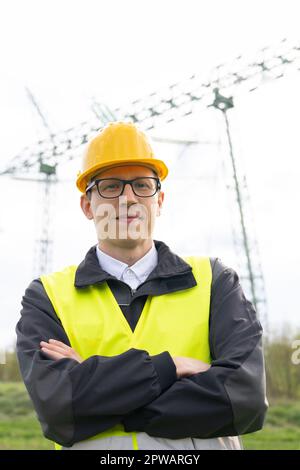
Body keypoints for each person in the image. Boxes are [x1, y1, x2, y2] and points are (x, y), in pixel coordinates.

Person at [16, 121, 268, 450]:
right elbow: (58, 407)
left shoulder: (216, 281)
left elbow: (244, 398)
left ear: (159, 200)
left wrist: (98, 393)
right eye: (110, 186)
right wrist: (170, 367)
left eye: (142, 185)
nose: (128, 199)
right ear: (88, 205)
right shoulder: (46, 296)